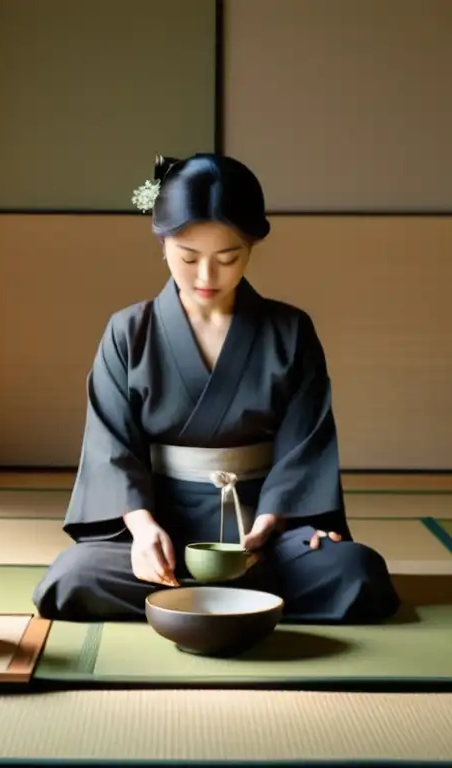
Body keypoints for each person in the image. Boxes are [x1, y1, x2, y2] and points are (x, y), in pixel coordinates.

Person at [32, 153, 401, 624]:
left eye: (229, 258)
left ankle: (191, 599)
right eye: (189, 258)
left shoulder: (289, 331)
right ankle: (238, 599)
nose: (207, 277)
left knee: (358, 574)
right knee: (73, 578)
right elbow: (112, 448)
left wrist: (274, 522)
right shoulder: (129, 332)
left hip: (264, 532)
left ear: (251, 248)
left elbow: (305, 445)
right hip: (163, 525)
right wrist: (143, 530)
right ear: (162, 242)